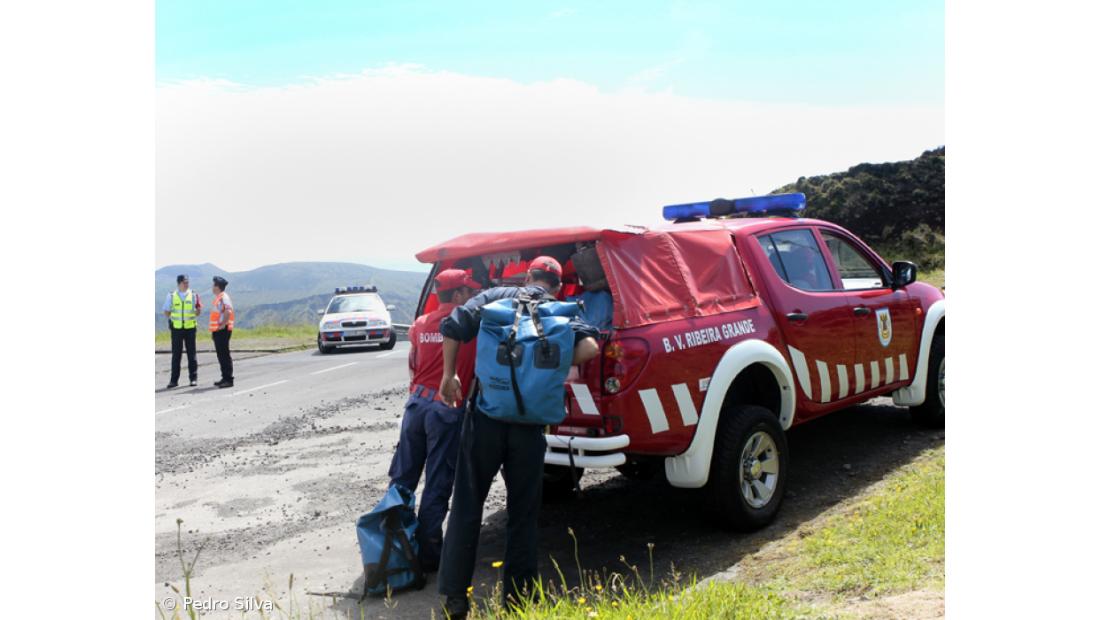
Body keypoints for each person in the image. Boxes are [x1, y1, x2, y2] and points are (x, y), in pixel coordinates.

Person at [436, 256, 600, 617]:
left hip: (486, 418)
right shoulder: (560, 309)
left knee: (467, 504)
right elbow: (590, 348)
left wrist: (450, 375)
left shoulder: (496, 296)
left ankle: (455, 599)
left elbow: (452, 325)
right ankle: (518, 600)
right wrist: (548, 362)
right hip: (529, 427)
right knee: (523, 513)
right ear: (557, 285)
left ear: (528, 276)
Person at [387, 269, 481, 573]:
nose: (472, 297)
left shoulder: (419, 324)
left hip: (416, 405)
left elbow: (413, 366)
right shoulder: (470, 325)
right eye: (468, 292)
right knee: (438, 481)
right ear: (457, 296)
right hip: (446, 408)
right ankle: (429, 555)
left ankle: (394, 545)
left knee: (403, 478)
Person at [162, 274, 202, 388]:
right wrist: (173, 319)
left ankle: (193, 379)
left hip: (190, 328)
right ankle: (174, 381)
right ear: (179, 283)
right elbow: (166, 311)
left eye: (188, 282)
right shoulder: (171, 295)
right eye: (185, 282)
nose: (187, 284)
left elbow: (198, 311)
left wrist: (197, 310)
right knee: (176, 355)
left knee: (192, 354)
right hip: (177, 329)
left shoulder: (194, 295)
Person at [209, 276, 235, 388]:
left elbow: (228, 311)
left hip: (223, 330)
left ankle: (229, 379)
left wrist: (223, 324)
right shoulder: (219, 297)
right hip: (218, 330)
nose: (212, 287)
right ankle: (224, 377)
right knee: (221, 355)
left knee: (224, 354)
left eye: (214, 285)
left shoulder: (223, 297)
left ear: (217, 287)